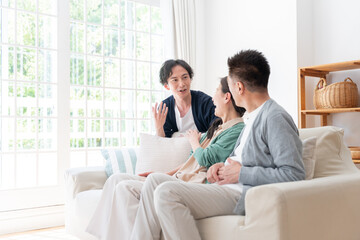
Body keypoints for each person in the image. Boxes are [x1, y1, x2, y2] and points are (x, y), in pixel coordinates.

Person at [136, 49, 306, 240]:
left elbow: (295, 174)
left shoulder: (275, 117)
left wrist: (241, 173)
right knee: (155, 182)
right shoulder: (252, 117)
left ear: (239, 87)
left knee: (166, 192)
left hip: (240, 193)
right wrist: (221, 166)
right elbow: (244, 159)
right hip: (224, 186)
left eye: (230, 86)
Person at [86, 77, 246, 240]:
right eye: (174, 80)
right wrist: (166, 173)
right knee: (118, 181)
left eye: (216, 92)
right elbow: (189, 162)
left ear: (226, 97)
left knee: (132, 186)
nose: (212, 98)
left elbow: (205, 159)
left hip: (193, 183)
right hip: (180, 177)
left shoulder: (236, 129)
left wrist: (193, 141)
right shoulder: (217, 128)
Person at [153, 59, 217, 137]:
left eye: (185, 77)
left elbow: (217, 133)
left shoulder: (205, 102)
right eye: (175, 80)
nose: (182, 84)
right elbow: (163, 142)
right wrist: (159, 128)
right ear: (166, 86)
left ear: (190, 79)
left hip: (202, 148)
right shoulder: (165, 108)